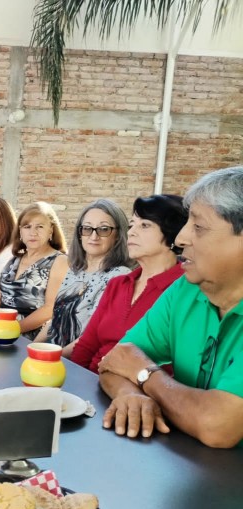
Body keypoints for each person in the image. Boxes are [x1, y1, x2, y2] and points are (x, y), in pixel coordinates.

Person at [98, 167, 243, 448]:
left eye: (199, 227)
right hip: (187, 465)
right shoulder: (187, 289)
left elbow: (218, 425)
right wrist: (130, 395)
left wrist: (145, 376)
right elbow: (117, 359)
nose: (180, 239)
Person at [71, 194, 187, 373]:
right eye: (132, 224)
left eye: (145, 225)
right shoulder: (118, 284)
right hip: (91, 379)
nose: (131, 232)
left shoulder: (185, 288)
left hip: (137, 387)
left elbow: (176, 365)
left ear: (173, 234)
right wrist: (74, 380)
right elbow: (86, 345)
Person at [35, 199, 132, 356]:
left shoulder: (120, 276)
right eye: (87, 228)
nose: (94, 236)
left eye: (104, 229)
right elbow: (57, 318)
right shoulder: (76, 269)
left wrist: (53, 357)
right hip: (52, 356)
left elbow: (92, 335)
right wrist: (33, 347)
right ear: (79, 234)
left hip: (77, 362)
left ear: (118, 235)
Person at [0, 201, 68, 338]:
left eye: (40, 227)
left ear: (51, 230)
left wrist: (11, 330)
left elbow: (50, 309)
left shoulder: (60, 261)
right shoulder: (15, 259)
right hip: (1, 332)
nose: (33, 233)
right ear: (20, 231)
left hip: (34, 338)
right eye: (27, 227)